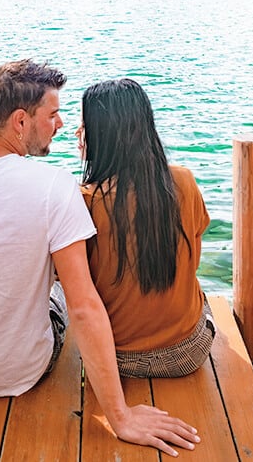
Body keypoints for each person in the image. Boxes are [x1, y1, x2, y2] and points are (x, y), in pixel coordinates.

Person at [0, 59, 199, 454]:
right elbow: (82, 307)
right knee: (62, 288)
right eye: (54, 114)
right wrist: (120, 417)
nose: (61, 125)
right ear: (21, 122)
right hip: (20, 372)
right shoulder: (53, 186)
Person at [78, 78, 214, 378]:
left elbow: (79, 287)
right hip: (190, 351)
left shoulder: (85, 200)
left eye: (84, 125)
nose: (78, 133)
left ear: (102, 134)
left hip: (118, 359)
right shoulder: (183, 181)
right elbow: (192, 262)